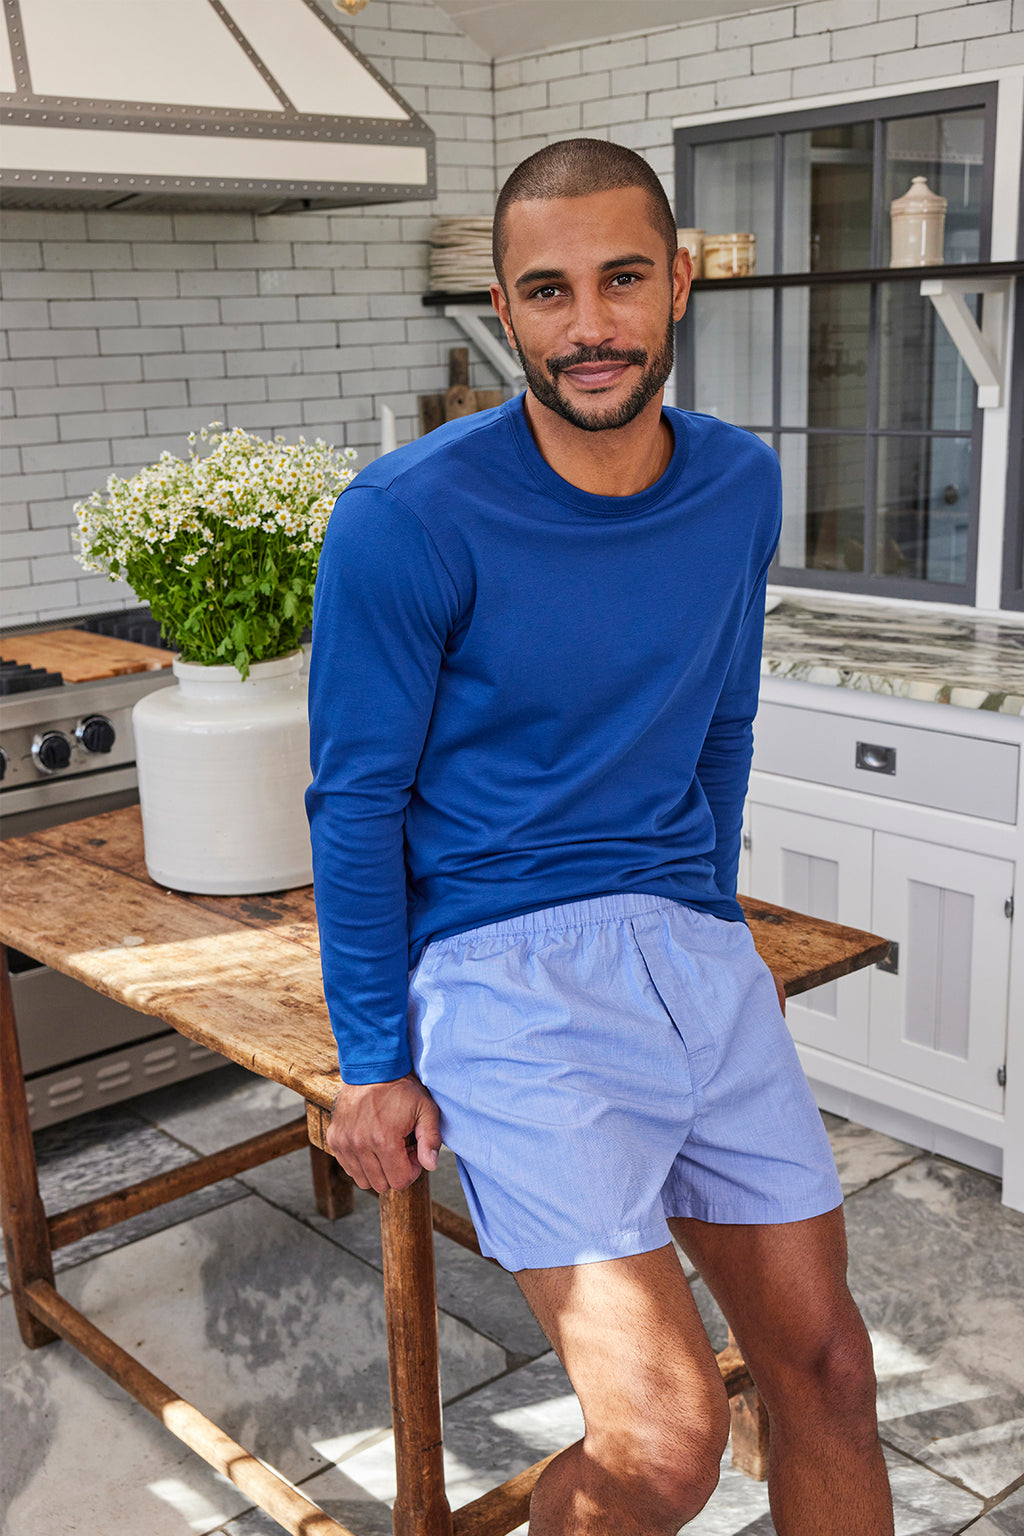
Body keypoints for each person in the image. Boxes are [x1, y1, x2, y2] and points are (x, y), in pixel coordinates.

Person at [306, 138, 894, 1535]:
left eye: (622, 280)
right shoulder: (406, 519)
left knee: (828, 1370)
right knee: (664, 1448)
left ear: (679, 281)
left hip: (688, 955)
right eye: (549, 291)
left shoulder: (738, 485)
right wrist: (374, 1061)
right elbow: (356, 802)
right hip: (502, 973)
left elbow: (722, 722)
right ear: (504, 309)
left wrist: (710, 925)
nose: (590, 326)